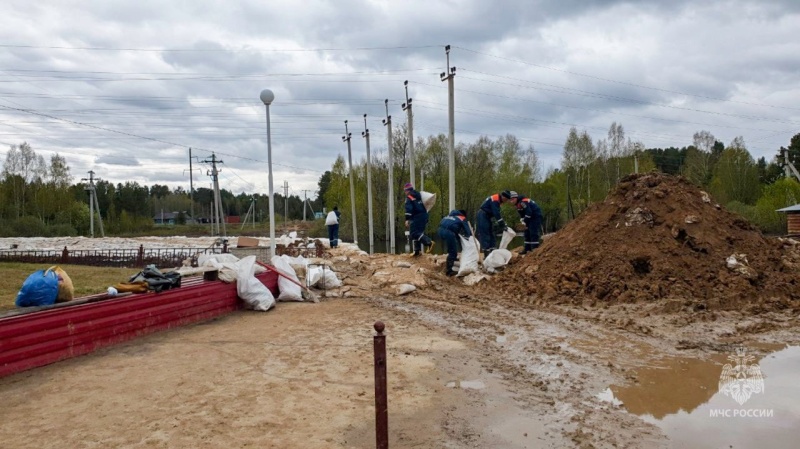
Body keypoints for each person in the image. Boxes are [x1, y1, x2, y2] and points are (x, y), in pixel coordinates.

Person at [476, 190, 516, 257]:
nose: (506, 201)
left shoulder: (497, 199)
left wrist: (503, 224)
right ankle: (487, 254)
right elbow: (496, 213)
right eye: (506, 199)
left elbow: (497, 213)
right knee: (485, 234)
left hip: (487, 216)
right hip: (483, 215)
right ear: (503, 196)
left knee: (492, 233)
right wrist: (502, 224)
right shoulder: (495, 200)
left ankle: (492, 252)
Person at [438, 209, 472, 276]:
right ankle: (449, 271)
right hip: (448, 232)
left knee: (455, 240)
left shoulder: (449, 216)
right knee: (452, 251)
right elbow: (468, 231)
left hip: (440, 230)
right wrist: (469, 238)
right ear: (463, 215)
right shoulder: (462, 217)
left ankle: (453, 259)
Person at [403, 182, 433, 257]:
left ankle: (429, 242)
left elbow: (409, 209)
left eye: (405, 191)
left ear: (407, 190)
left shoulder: (409, 198)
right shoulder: (419, 195)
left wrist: (407, 219)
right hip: (424, 215)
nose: (405, 192)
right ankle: (417, 251)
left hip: (417, 217)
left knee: (414, 233)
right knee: (417, 233)